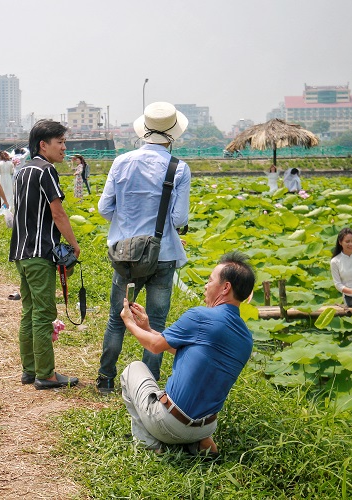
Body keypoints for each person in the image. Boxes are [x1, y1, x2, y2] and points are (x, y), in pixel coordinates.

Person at [120, 252, 256, 457]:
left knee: (133, 369)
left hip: (169, 423)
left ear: (225, 288)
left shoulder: (201, 316)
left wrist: (129, 323)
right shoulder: (246, 338)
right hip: (207, 427)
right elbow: (184, 349)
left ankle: (151, 445)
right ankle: (198, 443)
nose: (206, 286)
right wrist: (147, 328)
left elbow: (155, 347)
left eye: (210, 281)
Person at [96, 102, 191, 394]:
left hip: (126, 254)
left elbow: (104, 208)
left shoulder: (121, 161)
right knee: (157, 322)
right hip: (163, 255)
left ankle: (106, 378)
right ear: (172, 133)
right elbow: (179, 218)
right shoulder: (179, 167)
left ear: (143, 130)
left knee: (117, 317)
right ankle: (147, 387)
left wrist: (127, 224)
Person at [9, 119, 81, 390]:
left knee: (29, 312)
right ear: (43, 145)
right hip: (40, 254)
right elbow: (58, 212)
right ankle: (46, 375)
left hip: (21, 252)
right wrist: (74, 244)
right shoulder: (46, 169)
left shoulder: (22, 170)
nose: (64, 148)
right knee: (43, 314)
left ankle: (30, 370)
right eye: (60, 142)